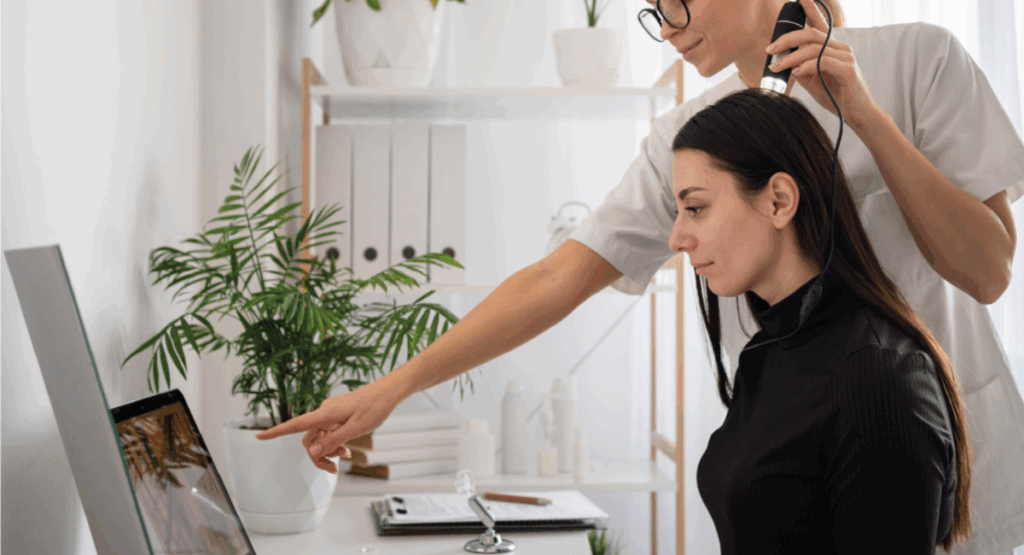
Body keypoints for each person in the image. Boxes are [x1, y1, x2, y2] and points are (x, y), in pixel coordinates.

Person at [256, 0, 1024, 552]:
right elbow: (562, 273)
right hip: (797, 470)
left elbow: (988, 270)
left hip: (936, 451)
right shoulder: (692, 138)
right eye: (654, 9)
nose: (668, 23)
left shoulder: (917, 61)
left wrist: (866, 116)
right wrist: (390, 389)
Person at [674, 87, 966, 552]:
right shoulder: (765, 352)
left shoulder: (877, 376)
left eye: (695, 208)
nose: (677, 237)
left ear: (778, 201)